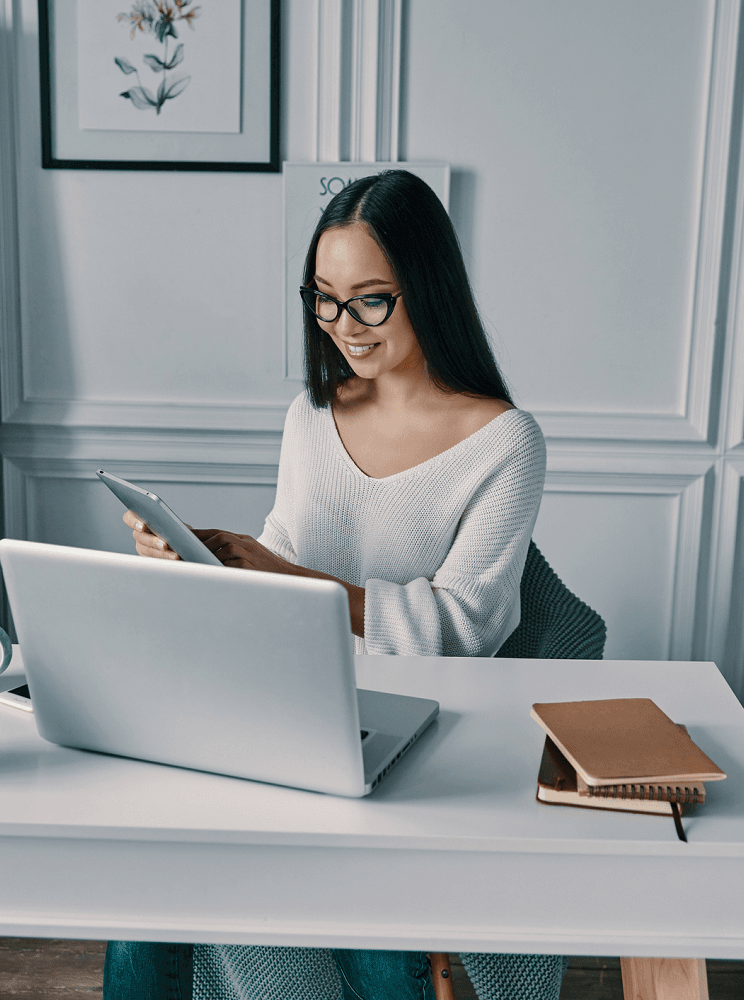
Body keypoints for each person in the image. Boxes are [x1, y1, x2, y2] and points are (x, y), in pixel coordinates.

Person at [103, 170, 562, 1000]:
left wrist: (287, 574)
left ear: (428, 287)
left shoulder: (505, 443)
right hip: (287, 710)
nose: (343, 325)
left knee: (361, 922)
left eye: (370, 301)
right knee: (146, 880)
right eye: (323, 299)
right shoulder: (310, 415)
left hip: (413, 738)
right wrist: (200, 561)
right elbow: (277, 564)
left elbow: (463, 631)